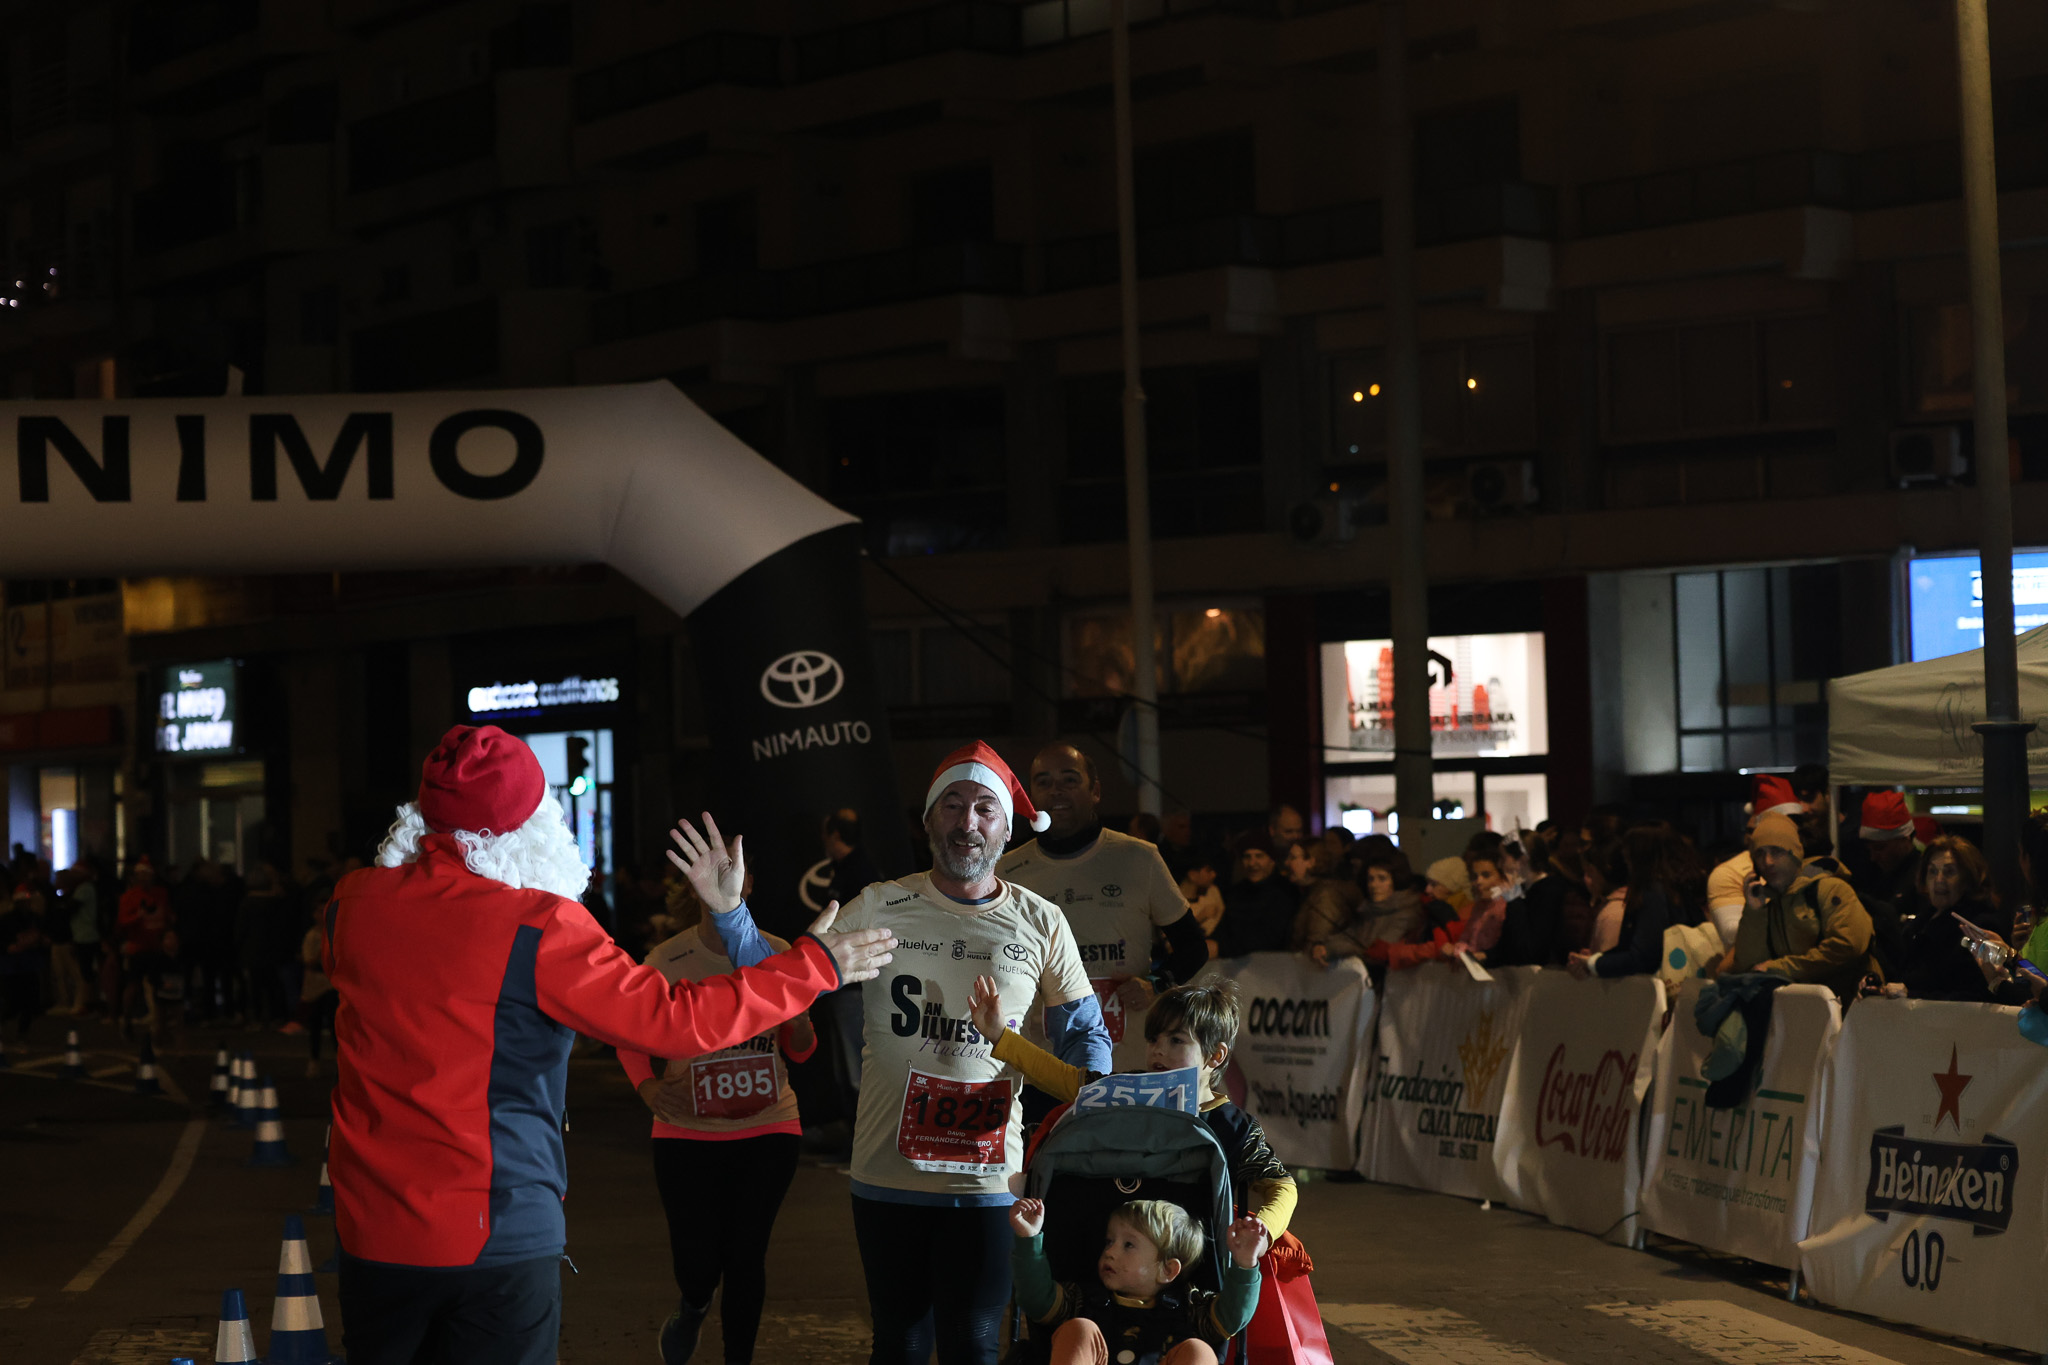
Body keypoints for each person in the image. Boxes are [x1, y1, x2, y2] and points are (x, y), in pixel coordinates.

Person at [325, 725, 895, 1365]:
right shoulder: (538, 926)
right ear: (532, 829)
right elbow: (674, 1021)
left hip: (371, 1232)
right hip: (494, 1232)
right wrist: (812, 965)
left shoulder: (350, 908)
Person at [697, 741, 1111, 1365]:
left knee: (974, 1346)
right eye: (952, 804)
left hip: (989, 1183)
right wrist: (731, 913)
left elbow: (1085, 1037)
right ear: (927, 820)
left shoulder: (1042, 920)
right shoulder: (880, 904)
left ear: (1006, 829)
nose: (967, 822)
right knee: (900, 1345)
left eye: (985, 809)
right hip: (887, 1177)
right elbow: (780, 985)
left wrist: (1096, 1099)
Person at [618, 841, 816, 1365]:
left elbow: (801, 1050)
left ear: (748, 883)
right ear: (695, 881)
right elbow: (627, 1034)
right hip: (686, 1131)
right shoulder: (667, 958)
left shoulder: (776, 953)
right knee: (698, 1263)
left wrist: (799, 1020)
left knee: (746, 1255)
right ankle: (693, 1304)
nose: (728, 876)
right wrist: (647, 1087)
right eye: (716, 867)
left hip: (770, 1127)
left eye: (737, 869)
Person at [969, 978, 1296, 1249]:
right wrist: (1000, 1035)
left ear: (1216, 1055)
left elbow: (1283, 1186)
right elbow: (1064, 1078)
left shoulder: (1234, 1127)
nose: (1159, 1049)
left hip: (1188, 1268)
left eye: (1176, 1040)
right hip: (1103, 1252)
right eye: (1153, 1039)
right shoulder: (1124, 1089)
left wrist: (1261, 1232)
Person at [999, 742, 1209, 1074]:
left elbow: (1194, 947)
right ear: (1029, 796)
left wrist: (1155, 983)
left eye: (1069, 780)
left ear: (1095, 791)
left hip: (1127, 1065)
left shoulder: (1139, 858)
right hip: (1043, 1068)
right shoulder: (1007, 871)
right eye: (1043, 782)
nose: (1056, 790)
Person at [1009, 1196, 1264, 1365]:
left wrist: (1245, 1263)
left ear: (1167, 1270)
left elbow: (1231, 1316)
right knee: (1079, 1330)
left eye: (1128, 1245)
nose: (1110, 1251)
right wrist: (1029, 1239)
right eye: (1109, 1241)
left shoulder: (1191, 1308)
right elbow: (1037, 1300)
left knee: (1199, 1352)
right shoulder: (1080, 1299)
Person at [1718, 811, 1877, 1000]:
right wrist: (1754, 912)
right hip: (1802, 1006)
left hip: (1851, 1003)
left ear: (1795, 854)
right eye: (1760, 854)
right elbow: (1748, 964)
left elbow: (1849, 945)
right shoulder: (1771, 904)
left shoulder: (1830, 888)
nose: (1768, 862)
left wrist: (1784, 968)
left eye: (1777, 851)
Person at [1569, 824, 1701, 979]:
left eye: (1628, 857)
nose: (1626, 863)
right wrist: (1598, 959)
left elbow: (1642, 956)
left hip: (1661, 987)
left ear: (1641, 857)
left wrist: (1594, 963)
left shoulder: (1653, 892)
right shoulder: (1680, 887)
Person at [1893, 836, 2012, 1002]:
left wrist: (1911, 996)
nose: (1939, 880)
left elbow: (1977, 998)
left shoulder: (1979, 927)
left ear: (1968, 878)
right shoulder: (1920, 923)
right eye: (1932, 871)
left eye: (1949, 872)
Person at [1301, 853, 1421, 967]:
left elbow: (1374, 953)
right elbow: (1346, 936)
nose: (1374, 885)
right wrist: (1321, 946)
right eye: (1370, 879)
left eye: (1382, 879)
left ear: (1396, 880)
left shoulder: (1406, 914)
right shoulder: (1367, 911)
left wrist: (1333, 949)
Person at [1211, 842, 1295, 958]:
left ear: (1272, 860)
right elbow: (1224, 927)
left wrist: (1221, 949)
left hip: (1272, 964)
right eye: (1247, 857)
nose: (1252, 863)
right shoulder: (1237, 891)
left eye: (1259, 856)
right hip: (1232, 963)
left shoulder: (1285, 892)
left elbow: (1271, 938)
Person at [1283, 838, 1363, 959]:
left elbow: (1318, 939)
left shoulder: (1326, 896)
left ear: (1311, 862)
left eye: (1293, 858)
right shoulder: (1309, 892)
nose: (1287, 863)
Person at [0, 882, 47, 1040]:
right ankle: (8, 1021)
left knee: (30, 1000)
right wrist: (7, 948)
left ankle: (23, 1031)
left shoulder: (34, 918)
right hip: (11, 966)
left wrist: (41, 942)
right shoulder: (7, 919)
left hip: (29, 963)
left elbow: (41, 936)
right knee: (12, 1001)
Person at [1178, 850, 1225, 938]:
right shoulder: (1175, 903)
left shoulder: (1212, 892)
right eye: (1208, 870)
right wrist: (1200, 917)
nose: (1214, 875)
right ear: (1192, 875)